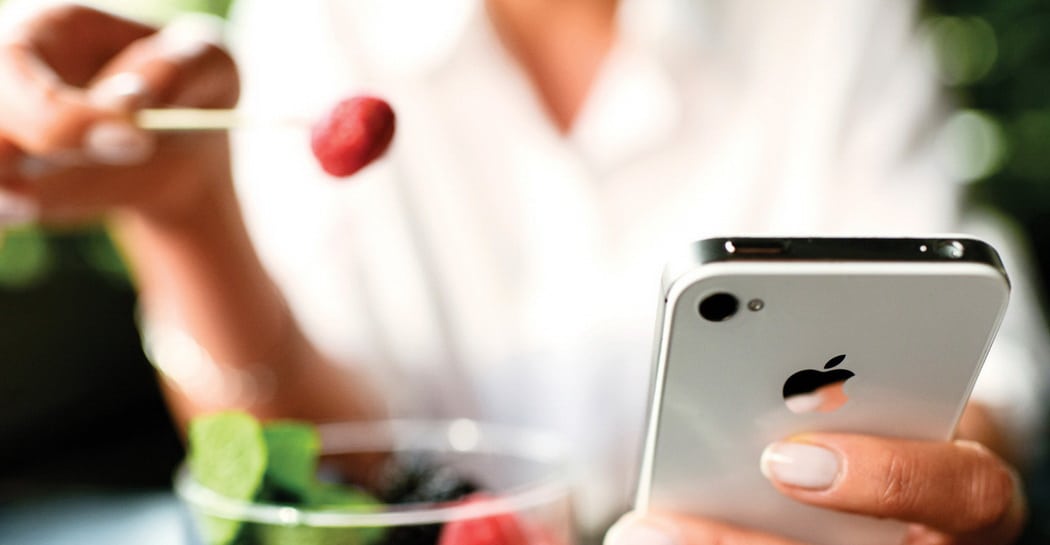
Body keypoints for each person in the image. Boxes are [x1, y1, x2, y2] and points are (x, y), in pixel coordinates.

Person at [0, 0, 1045, 543]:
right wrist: (188, 218)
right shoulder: (321, 18)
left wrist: (914, 485)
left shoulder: (826, 22)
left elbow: (970, 363)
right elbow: (322, 470)